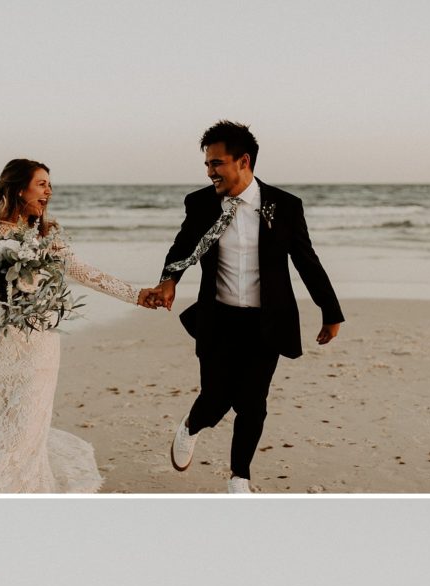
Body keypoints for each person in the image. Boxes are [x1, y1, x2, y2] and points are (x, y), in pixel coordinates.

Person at [145, 121, 345, 493]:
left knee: (253, 403)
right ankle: (190, 426)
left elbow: (306, 261)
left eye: (217, 163)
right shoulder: (201, 202)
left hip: (265, 322)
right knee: (216, 399)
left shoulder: (284, 206)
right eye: (207, 164)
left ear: (243, 161)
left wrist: (330, 311)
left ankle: (240, 478)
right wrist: (170, 280)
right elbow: (183, 246)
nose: (209, 172)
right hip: (218, 318)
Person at [0, 159, 159, 493]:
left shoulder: (46, 236)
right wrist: (1, 287)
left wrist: (136, 294)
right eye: (42, 184)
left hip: (36, 348)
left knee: (20, 438)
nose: (49, 191)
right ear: (17, 188)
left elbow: (86, 273)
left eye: (49, 185)